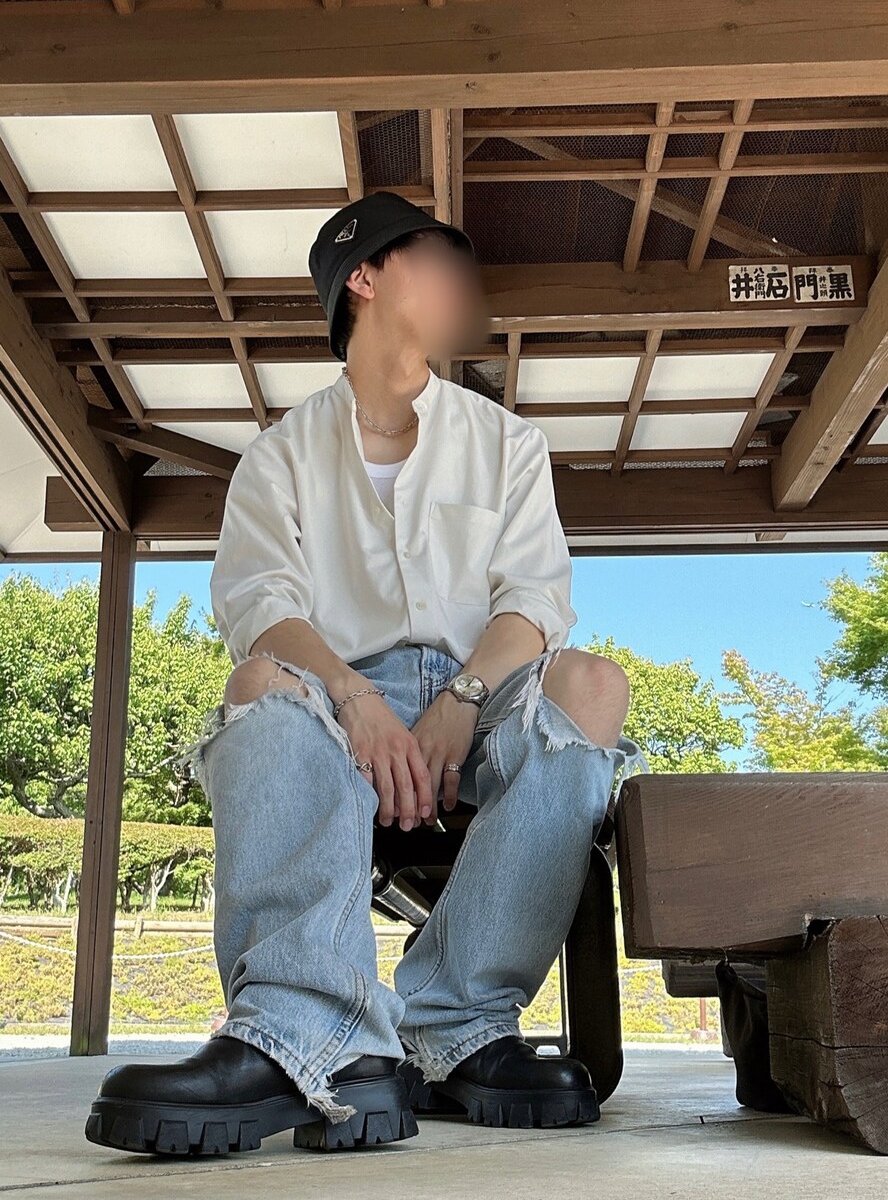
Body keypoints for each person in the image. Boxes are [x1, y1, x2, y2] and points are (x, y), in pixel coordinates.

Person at [85, 192, 649, 1158]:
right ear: (365, 278)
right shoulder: (278, 456)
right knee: (256, 686)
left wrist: (462, 700)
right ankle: (305, 1030)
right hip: (339, 691)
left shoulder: (508, 444)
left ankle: (456, 1024)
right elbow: (260, 605)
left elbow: (534, 600)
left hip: (485, 690)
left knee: (595, 685)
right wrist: (355, 700)